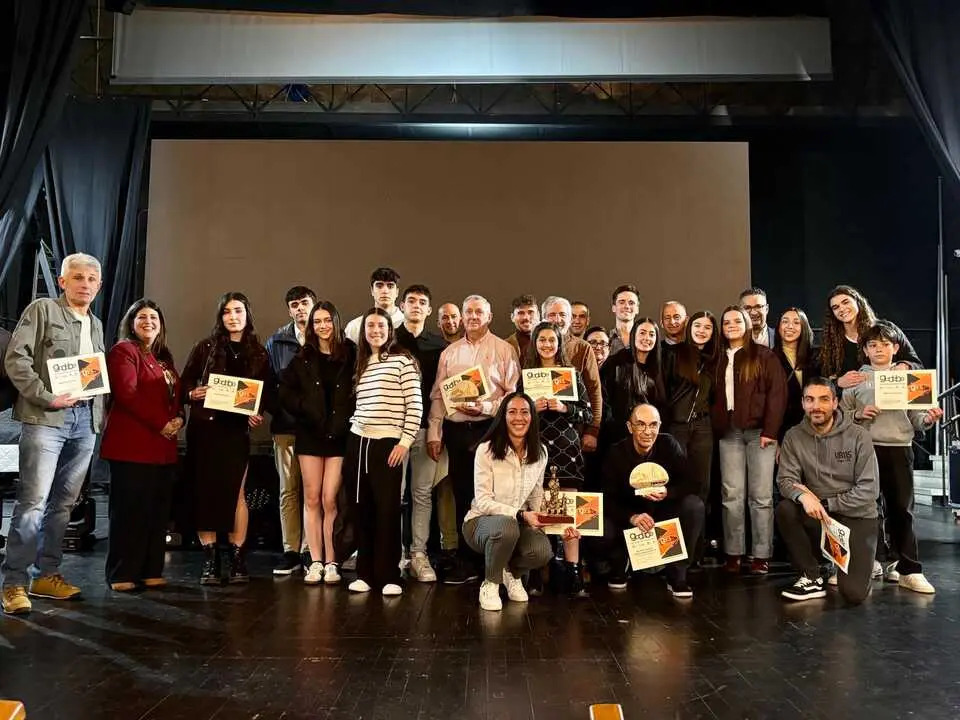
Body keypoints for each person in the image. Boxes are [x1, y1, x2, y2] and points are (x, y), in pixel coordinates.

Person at [1, 253, 105, 615]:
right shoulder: (43, 309)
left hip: (84, 422)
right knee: (33, 502)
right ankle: (13, 583)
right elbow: (16, 359)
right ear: (62, 282)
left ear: (99, 286)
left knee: (63, 504)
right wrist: (47, 397)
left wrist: (97, 417)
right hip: (46, 417)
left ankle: (46, 575)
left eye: (91, 279)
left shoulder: (96, 324)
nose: (85, 284)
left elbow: (94, 376)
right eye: (77, 277)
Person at [839, 323, 941, 593]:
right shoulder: (856, 379)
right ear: (865, 350)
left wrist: (928, 419)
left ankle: (908, 568)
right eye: (873, 345)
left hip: (899, 447)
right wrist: (858, 414)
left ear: (896, 348)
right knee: (866, 509)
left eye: (885, 344)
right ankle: (869, 561)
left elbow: (917, 418)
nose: (879, 350)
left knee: (902, 510)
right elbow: (840, 416)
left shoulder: (910, 377)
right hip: (864, 450)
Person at [427, 295, 520, 584]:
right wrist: (434, 433)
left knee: (491, 495)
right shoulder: (450, 353)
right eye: (468, 312)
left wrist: (486, 408)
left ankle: (492, 560)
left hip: (489, 431)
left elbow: (513, 395)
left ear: (489, 317)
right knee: (462, 494)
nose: (473, 316)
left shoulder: (504, 350)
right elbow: (437, 395)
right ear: (462, 316)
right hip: (456, 433)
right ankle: (466, 561)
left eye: (480, 312)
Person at [181, 292, 271, 585]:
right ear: (221, 317)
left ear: (247, 314)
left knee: (237, 494)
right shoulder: (205, 347)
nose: (233, 317)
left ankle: (237, 558)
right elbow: (185, 382)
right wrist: (192, 393)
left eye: (238, 311)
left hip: (236, 432)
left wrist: (256, 412)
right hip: (205, 429)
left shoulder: (258, 352)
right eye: (227, 312)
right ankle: (210, 560)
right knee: (204, 493)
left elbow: (264, 392)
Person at [100, 299, 183, 592]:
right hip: (132, 447)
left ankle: (151, 570)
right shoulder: (123, 351)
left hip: (162, 449)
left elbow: (174, 397)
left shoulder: (164, 359)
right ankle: (122, 573)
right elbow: (127, 393)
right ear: (131, 323)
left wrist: (180, 418)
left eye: (154, 318)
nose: (149, 322)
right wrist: (162, 423)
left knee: (156, 514)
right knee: (129, 513)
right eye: (142, 317)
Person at [776, 377, 879, 605]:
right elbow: (785, 480)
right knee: (786, 509)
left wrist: (825, 503)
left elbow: (869, 490)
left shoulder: (859, 436)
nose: (816, 406)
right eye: (810, 400)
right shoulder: (793, 436)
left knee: (853, 594)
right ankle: (812, 576)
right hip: (821, 518)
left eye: (824, 399)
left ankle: (860, 562)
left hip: (857, 516)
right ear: (803, 403)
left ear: (835, 403)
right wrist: (803, 496)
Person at [344, 308, 422, 597]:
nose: (375, 330)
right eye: (370, 326)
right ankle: (365, 573)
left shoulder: (403, 361)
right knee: (361, 509)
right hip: (358, 442)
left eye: (381, 326)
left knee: (387, 510)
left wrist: (404, 442)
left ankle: (390, 574)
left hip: (388, 444)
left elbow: (415, 405)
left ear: (390, 330)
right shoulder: (362, 362)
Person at [279, 301, 354, 585]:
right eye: (317, 321)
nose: (323, 326)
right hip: (310, 435)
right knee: (311, 499)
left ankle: (332, 561)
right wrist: (305, 408)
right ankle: (315, 561)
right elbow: (284, 393)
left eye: (327, 320)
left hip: (339, 436)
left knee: (330, 499)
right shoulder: (302, 357)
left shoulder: (350, 353)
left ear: (336, 321)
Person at [462, 392, 559, 612]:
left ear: (532, 417)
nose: (519, 418)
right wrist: (520, 514)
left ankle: (511, 573)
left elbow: (536, 496)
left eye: (525, 412)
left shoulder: (540, 452)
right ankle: (490, 583)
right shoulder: (486, 450)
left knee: (542, 550)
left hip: (518, 524)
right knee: (508, 526)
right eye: (512, 412)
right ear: (503, 417)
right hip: (480, 523)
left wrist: (556, 526)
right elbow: (483, 501)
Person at [598, 403, 704, 597]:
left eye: (653, 425)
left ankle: (677, 574)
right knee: (602, 526)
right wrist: (632, 517)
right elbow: (606, 498)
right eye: (641, 424)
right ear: (630, 427)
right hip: (629, 518)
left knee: (693, 506)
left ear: (659, 426)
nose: (648, 431)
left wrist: (668, 492)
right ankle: (619, 564)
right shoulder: (616, 452)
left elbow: (693, 483)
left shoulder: (668, 444)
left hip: (661, 513)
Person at [712, 306, 787, 576]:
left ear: (746, 324)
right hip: (729, 432)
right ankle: (733, 553)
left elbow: (777, 395)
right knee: (731, 495)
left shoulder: (764, 356)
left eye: (737, 321)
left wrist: (771, 431)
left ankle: (761, 554)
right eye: (726, 322)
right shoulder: (717, 357)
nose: (731, 325)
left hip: (760, 434)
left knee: (761, 496)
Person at [520, 322, 592, 594]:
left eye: (552, 340)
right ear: (535, 344)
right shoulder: (526, 377)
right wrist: (531, 408)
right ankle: (539, 570)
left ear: (559, 344)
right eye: (542, 340)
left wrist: (564, 407)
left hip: (566, 451)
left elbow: (587, 414)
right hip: (536, 450)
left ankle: (574, 571)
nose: (547, 345)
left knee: (567, 511)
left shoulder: (572, 375)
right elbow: (514, 413)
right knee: (539, 507)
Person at [393, 284, 452, 583]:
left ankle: (419, 554)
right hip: (393, 431)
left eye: (422, 302)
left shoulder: (440, 347)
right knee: (394, 494)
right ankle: (393, 554)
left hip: (427, 430)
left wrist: (436, 431)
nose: (416, 305)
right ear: (402, 306)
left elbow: (441, 393)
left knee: (422, 494)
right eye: (411, 301)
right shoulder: (389, 340)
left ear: (429, 310)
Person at [264, 285, 317, 575]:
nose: (300, 309)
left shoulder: (325, 335)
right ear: (289, 310)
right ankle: (290, 550)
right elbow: (268, 385)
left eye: (304, 303)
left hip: (316, 430)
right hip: (285, 428)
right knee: (288, 491)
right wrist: (283, 411)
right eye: (294, 305)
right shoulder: (276, 341)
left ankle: (310, 549)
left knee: (313, 492)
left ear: (314, 304)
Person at [661, 311, 718, 557]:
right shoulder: (674, 354)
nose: (702, 331)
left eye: (707, 327)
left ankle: (696, 551)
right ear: (689, 327)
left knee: (702, 487)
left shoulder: (715, 359)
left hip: (703, 426)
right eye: (697, 326)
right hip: (678, 426)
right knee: (676, 485)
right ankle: (672, 550)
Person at [819, 284, 921, 390]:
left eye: (846, 302)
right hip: (851, 398)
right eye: (836, 307)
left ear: (858, 302)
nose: (842, 309)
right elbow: (820, 380)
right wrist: (838, 382)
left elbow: (917, 365)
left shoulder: (887, 329)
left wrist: (905, 366)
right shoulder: (830, 340)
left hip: (892, 393)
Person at [541, 296, 602, 454]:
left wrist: (592, 430)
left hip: (574, 432)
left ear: (570, 319)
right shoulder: (534, 348)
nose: (557, 319)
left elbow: (594, 390)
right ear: (543, 318)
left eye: (562, 315)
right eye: (552, 315)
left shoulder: (583, 348)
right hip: (538, 433)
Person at [600, 317, 665, 448]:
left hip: (649, 437)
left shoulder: (661, 366)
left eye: (651, 334)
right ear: (633, 335)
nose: (647, 338)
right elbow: (603, 399)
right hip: (618, 435)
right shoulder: (616, 362)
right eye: (642, 333)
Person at [773, 308, 820, 441]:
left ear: (804, 327)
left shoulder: (817, 356)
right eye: (785, 322)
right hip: (784, 430)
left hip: (815, 426)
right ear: (778, 327)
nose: (790, 326)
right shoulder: (769, 358)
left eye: (796, 322)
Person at [344, 267, 404, 345]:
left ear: (397, 292)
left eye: (390, 286)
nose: (385, 291)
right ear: (372, 290)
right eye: (379, 286)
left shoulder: (407, 324)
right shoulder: (355, 326)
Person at [505, 294, 539, 361]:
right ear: (512, 317)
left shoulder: (552, 343)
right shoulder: (504, 346)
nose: (526, 317)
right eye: (521, 313)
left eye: (531, 312)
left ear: (538, 315)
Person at [609, 284, 640, 355]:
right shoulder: (606, 340)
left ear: (637, 309)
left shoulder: (645, 340)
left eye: (631, 303)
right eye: (622, 302)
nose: (626, 306)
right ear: (613, 308)